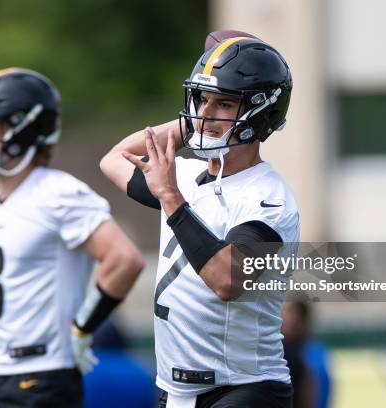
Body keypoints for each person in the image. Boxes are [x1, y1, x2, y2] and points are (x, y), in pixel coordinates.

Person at [101, 37, 299, 408]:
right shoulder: (186, 174)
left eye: (223, 103)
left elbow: (227, 279)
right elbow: (115, 158)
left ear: (260, 113)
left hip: (242, 388)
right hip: (174, 390)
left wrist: (171, 199)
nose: (205, 112)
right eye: (201, 99)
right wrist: (190, 126)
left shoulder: (270, 198)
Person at [0, 68, 145, 408]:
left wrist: (83, 327)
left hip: (42, 375)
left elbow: (123, 259)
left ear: (26, 127)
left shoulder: (58, 192)